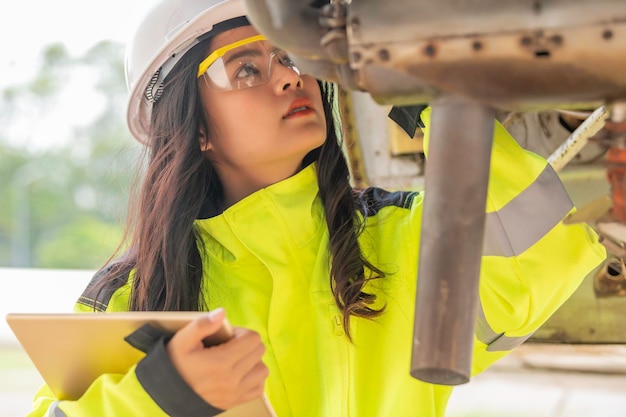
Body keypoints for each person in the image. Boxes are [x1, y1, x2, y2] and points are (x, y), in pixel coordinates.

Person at [27, 0, 606, 416]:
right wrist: (155, 399)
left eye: (290, 57)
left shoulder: (401, 239)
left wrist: (431, 102)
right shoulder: (134, 297)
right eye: (246, 68)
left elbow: (542, 258)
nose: (288, 77)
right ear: (195, 126)